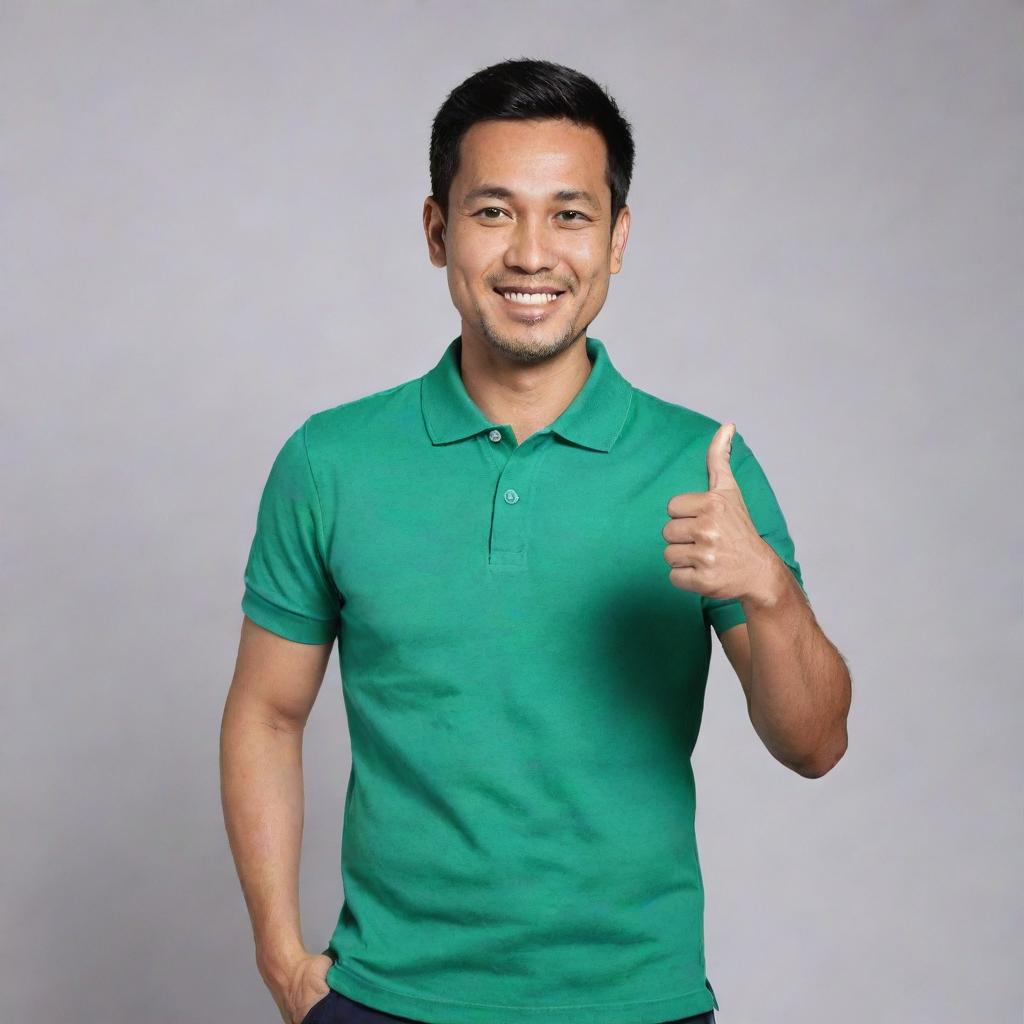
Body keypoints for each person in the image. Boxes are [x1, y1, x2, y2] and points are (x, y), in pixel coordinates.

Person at [220, 57, 852, 1024]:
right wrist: (281, 957)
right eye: (492, 212)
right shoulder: (331, 460)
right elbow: (267, 713)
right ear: (437, 232)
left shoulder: (702, 464)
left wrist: (771, 591)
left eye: (570, 213)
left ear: (617, 236)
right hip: (385, 998)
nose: (531, 253)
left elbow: (815, 745)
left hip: (636, 1001)